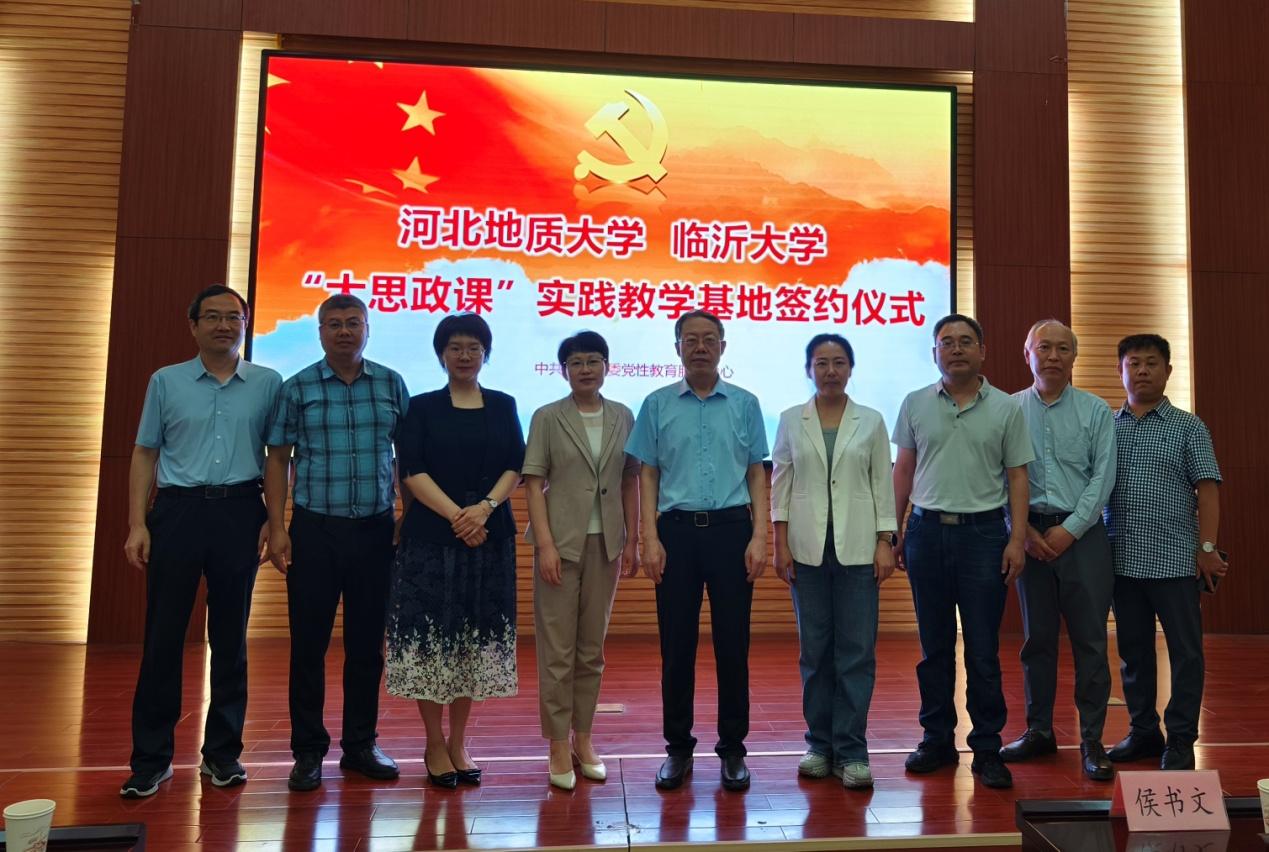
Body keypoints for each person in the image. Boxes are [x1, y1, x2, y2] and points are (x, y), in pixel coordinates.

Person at [119, 285, 282, 798]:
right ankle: (151, 760)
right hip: (177, 512)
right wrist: (138, 523)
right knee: (163, 637)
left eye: (233, 317)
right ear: (193, 326)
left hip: (240, 511)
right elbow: (145, 453)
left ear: (246, 325)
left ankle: (223, 755)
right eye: (212, 317)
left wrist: (274, 520)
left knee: (231, 639)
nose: (223, 325)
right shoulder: (165, 381)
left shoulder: (268, 383)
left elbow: (278, 458)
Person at [264, 293, 410, 792]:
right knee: (308, 646)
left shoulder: (391, 383)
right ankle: (308, 752)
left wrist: (407, 513)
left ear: (368, 329)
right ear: (321, 332)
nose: (344, 331)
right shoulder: (297, 387)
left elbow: (407, 456)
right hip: (315, 531)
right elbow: (277, 458)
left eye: (353, 323)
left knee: (367, 646)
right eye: (334, 324)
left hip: (375, 531)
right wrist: (278, 526)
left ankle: (360, 745)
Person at [625, 309, 769, 792]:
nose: (701, 347)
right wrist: (648, 536)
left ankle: (733, 748)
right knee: (676, 646)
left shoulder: (745, 403)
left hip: (732, 531)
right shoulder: (656, 404)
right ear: (678, 349)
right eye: (691, 340)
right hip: (676, 533)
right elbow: (647, 473)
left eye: (710, 339)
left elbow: (756, 473)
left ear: (723, 347)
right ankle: (678, 748)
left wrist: (760, 535)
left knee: (733, 644)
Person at [892, 313, 1033, 790]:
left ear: (982, 351)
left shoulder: (1007, 408)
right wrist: (893, 532)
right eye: (946, 342)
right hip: (926, 533)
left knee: (983, 649)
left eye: (966, 341)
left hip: (984, 535)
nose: (956, 348)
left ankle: (988, 748)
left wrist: (1017, 538)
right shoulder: (915, 403)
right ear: (934, 352)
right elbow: (903, 471)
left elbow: (1018, 476)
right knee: (933, 647)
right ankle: (936, 740)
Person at [386, 313, 525, 788]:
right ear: (441, 354)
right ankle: (433, 742)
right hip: (431, 539)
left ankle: (460, 741)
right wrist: (458, 517)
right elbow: (411, 470)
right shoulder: (422, 407)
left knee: (471, 642)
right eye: (455, 347)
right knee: (431, 643)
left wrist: (483, 510)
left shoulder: (504, 404)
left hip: (490, 537)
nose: (464, 356)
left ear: (486, 354)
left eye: (473, 348)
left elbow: (515, 464)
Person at [771, 334, 897, 790]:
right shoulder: (791, 419)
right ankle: (819, 746)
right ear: (809, 369)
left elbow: (882, 482)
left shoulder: (872, 420)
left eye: (839, 362)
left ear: (850, 368)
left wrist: (885, 540)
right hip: (806, 551)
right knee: (815, 652)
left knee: (856, 653)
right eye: (821, 363)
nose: (830, 371)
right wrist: (779, 543)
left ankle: (852, 751)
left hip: (859, 550)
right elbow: (781, 484)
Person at [1000, 320, 1117, 781]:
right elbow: (998, 476)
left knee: (1090, 642)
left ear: (1074, 356)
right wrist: (1023, 530)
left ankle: (1092, 739)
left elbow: (1103, 477)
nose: (1052, 356)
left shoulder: (1096, 410)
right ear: (1026, 354)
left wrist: (1070, 529)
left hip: (1083, 538)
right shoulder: (1008, 410)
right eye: (1043, 347)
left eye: (1062, 348)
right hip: (1028, 537)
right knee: (1038, 641)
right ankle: (1039, 731)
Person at [523, 331, 640, 790]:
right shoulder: (547, 417)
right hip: (561, 544)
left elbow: (629, 480)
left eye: (593, 360)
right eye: (576, 362)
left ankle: (584, 738)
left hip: (606, 545)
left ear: (607, 366)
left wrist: (631, 540)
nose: (585, 369)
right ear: (564, 370)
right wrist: (545, 545)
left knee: (592, 650)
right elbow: (534, 483)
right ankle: (557, 743)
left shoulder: (623, 416)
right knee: (557, 651)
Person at [1104, 334, 1224, 771]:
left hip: (1176, 562)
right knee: (1133, 654)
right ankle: (1143, 732)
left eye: (1151, 363)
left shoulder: (1189, 426)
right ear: (1121, 371)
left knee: (1186, 654)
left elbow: (1207, 490)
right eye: (1133, 363)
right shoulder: (1107, 427)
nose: (1142, 370)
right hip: (1122, 561)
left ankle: (1181, 739)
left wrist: (1206, 548)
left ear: (1168, 371)